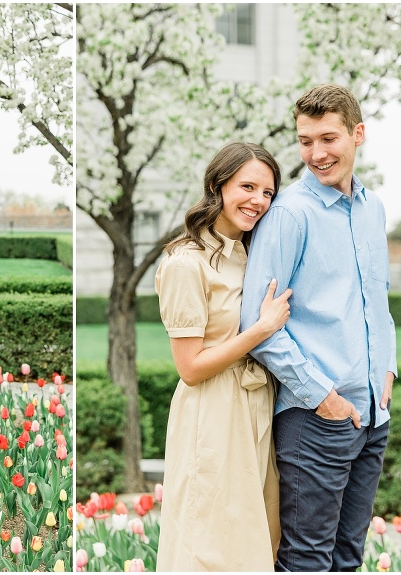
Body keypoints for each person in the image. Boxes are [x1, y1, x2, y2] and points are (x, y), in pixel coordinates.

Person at [240, 84, 397, 572]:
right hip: (316, 419)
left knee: (348, 557)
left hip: (373, 414)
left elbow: (379, 300)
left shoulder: (373, 209)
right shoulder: (289, 214)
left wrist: (387, 372)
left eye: (328, 138)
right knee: (307, 559)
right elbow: (258, 323)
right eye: (305, 141)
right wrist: (322, 396)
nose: (316, 153)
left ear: (358, 134)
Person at [155, 142, 292, 571]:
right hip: (212, 414)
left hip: (259, 407)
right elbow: (190, 368)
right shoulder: (185, 263)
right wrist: (261, 330)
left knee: (258, 539)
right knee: (210, 543)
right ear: (217, 185)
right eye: (247, 186)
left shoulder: (253, 254)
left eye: (268, 192)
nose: (258, 200)